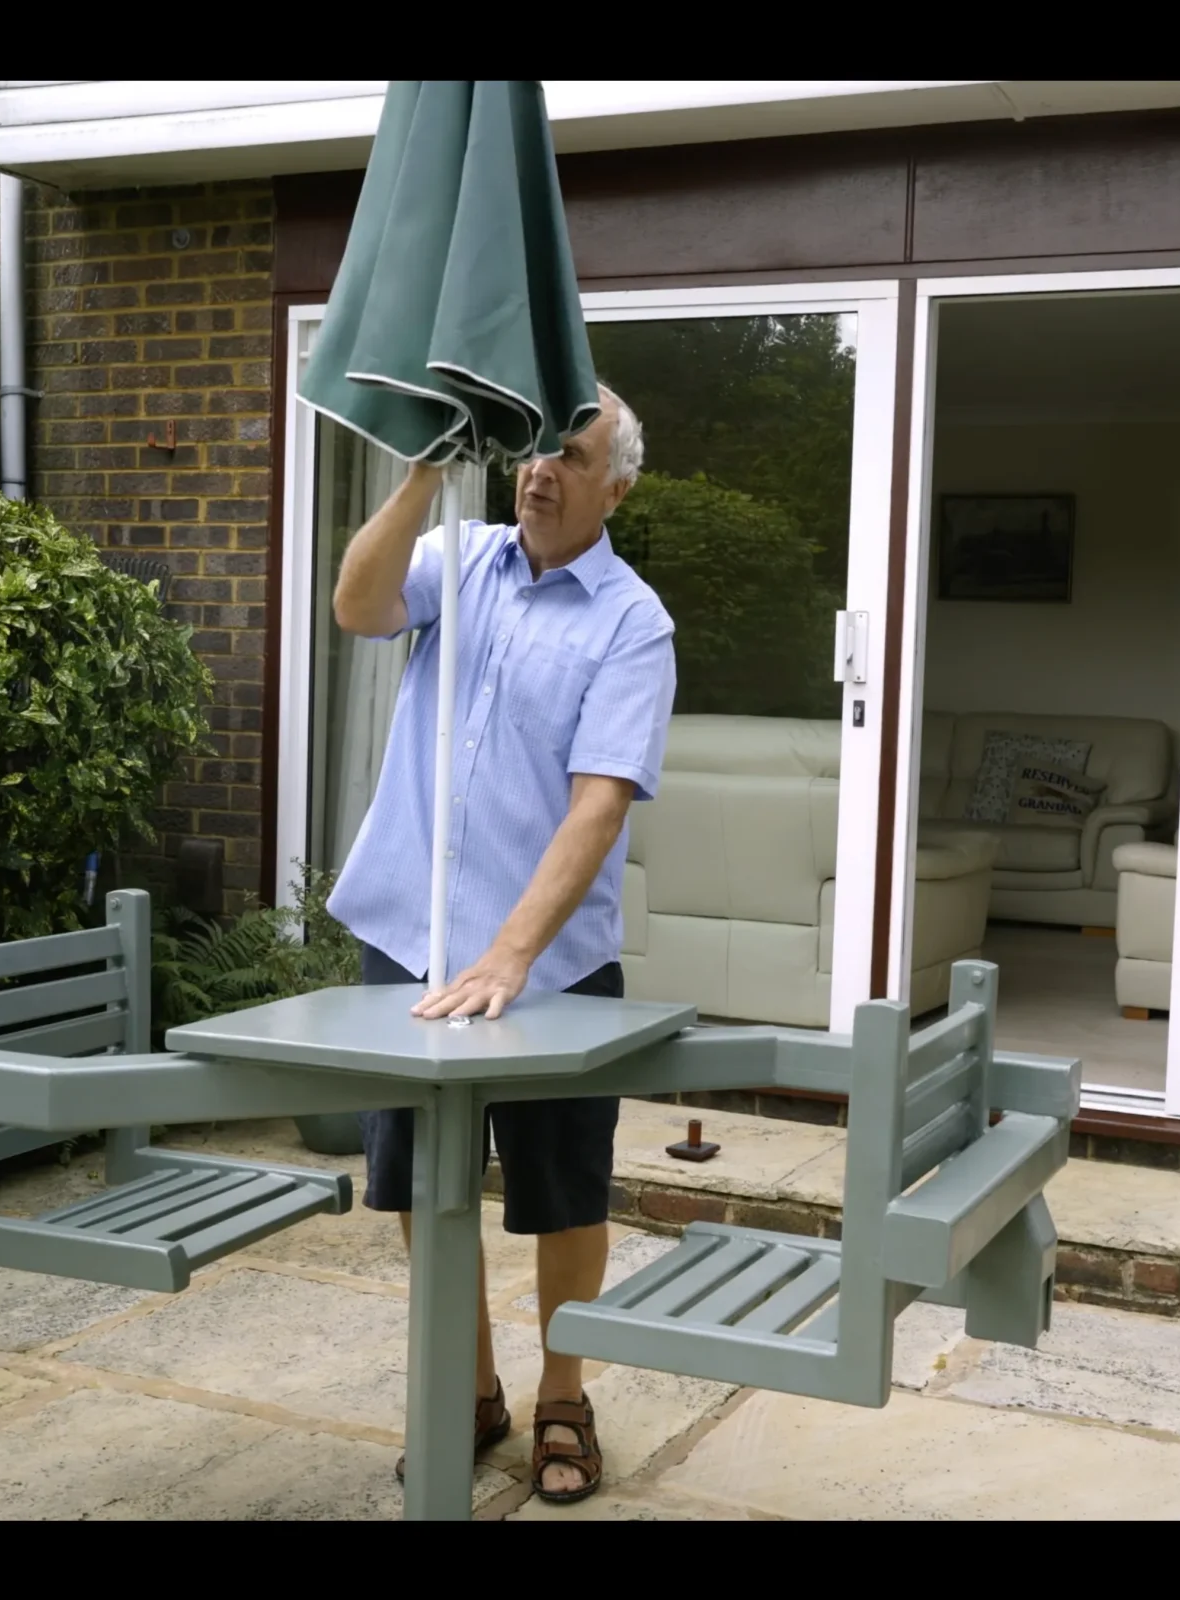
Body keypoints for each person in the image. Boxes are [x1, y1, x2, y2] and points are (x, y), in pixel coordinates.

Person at [328, 384, 674, 1505]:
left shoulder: (633, 621)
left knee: (564, 1193)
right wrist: (426, 467)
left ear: (613, 485)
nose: (538, 472)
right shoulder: (457, 556)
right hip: (409, 938)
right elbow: (355, 605)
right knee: (421, 1185)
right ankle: (469, 1389)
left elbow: (597, 806)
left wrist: (513, 953)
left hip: (554, 969)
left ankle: (561, 1396)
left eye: (567, 457)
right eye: (529, 452)